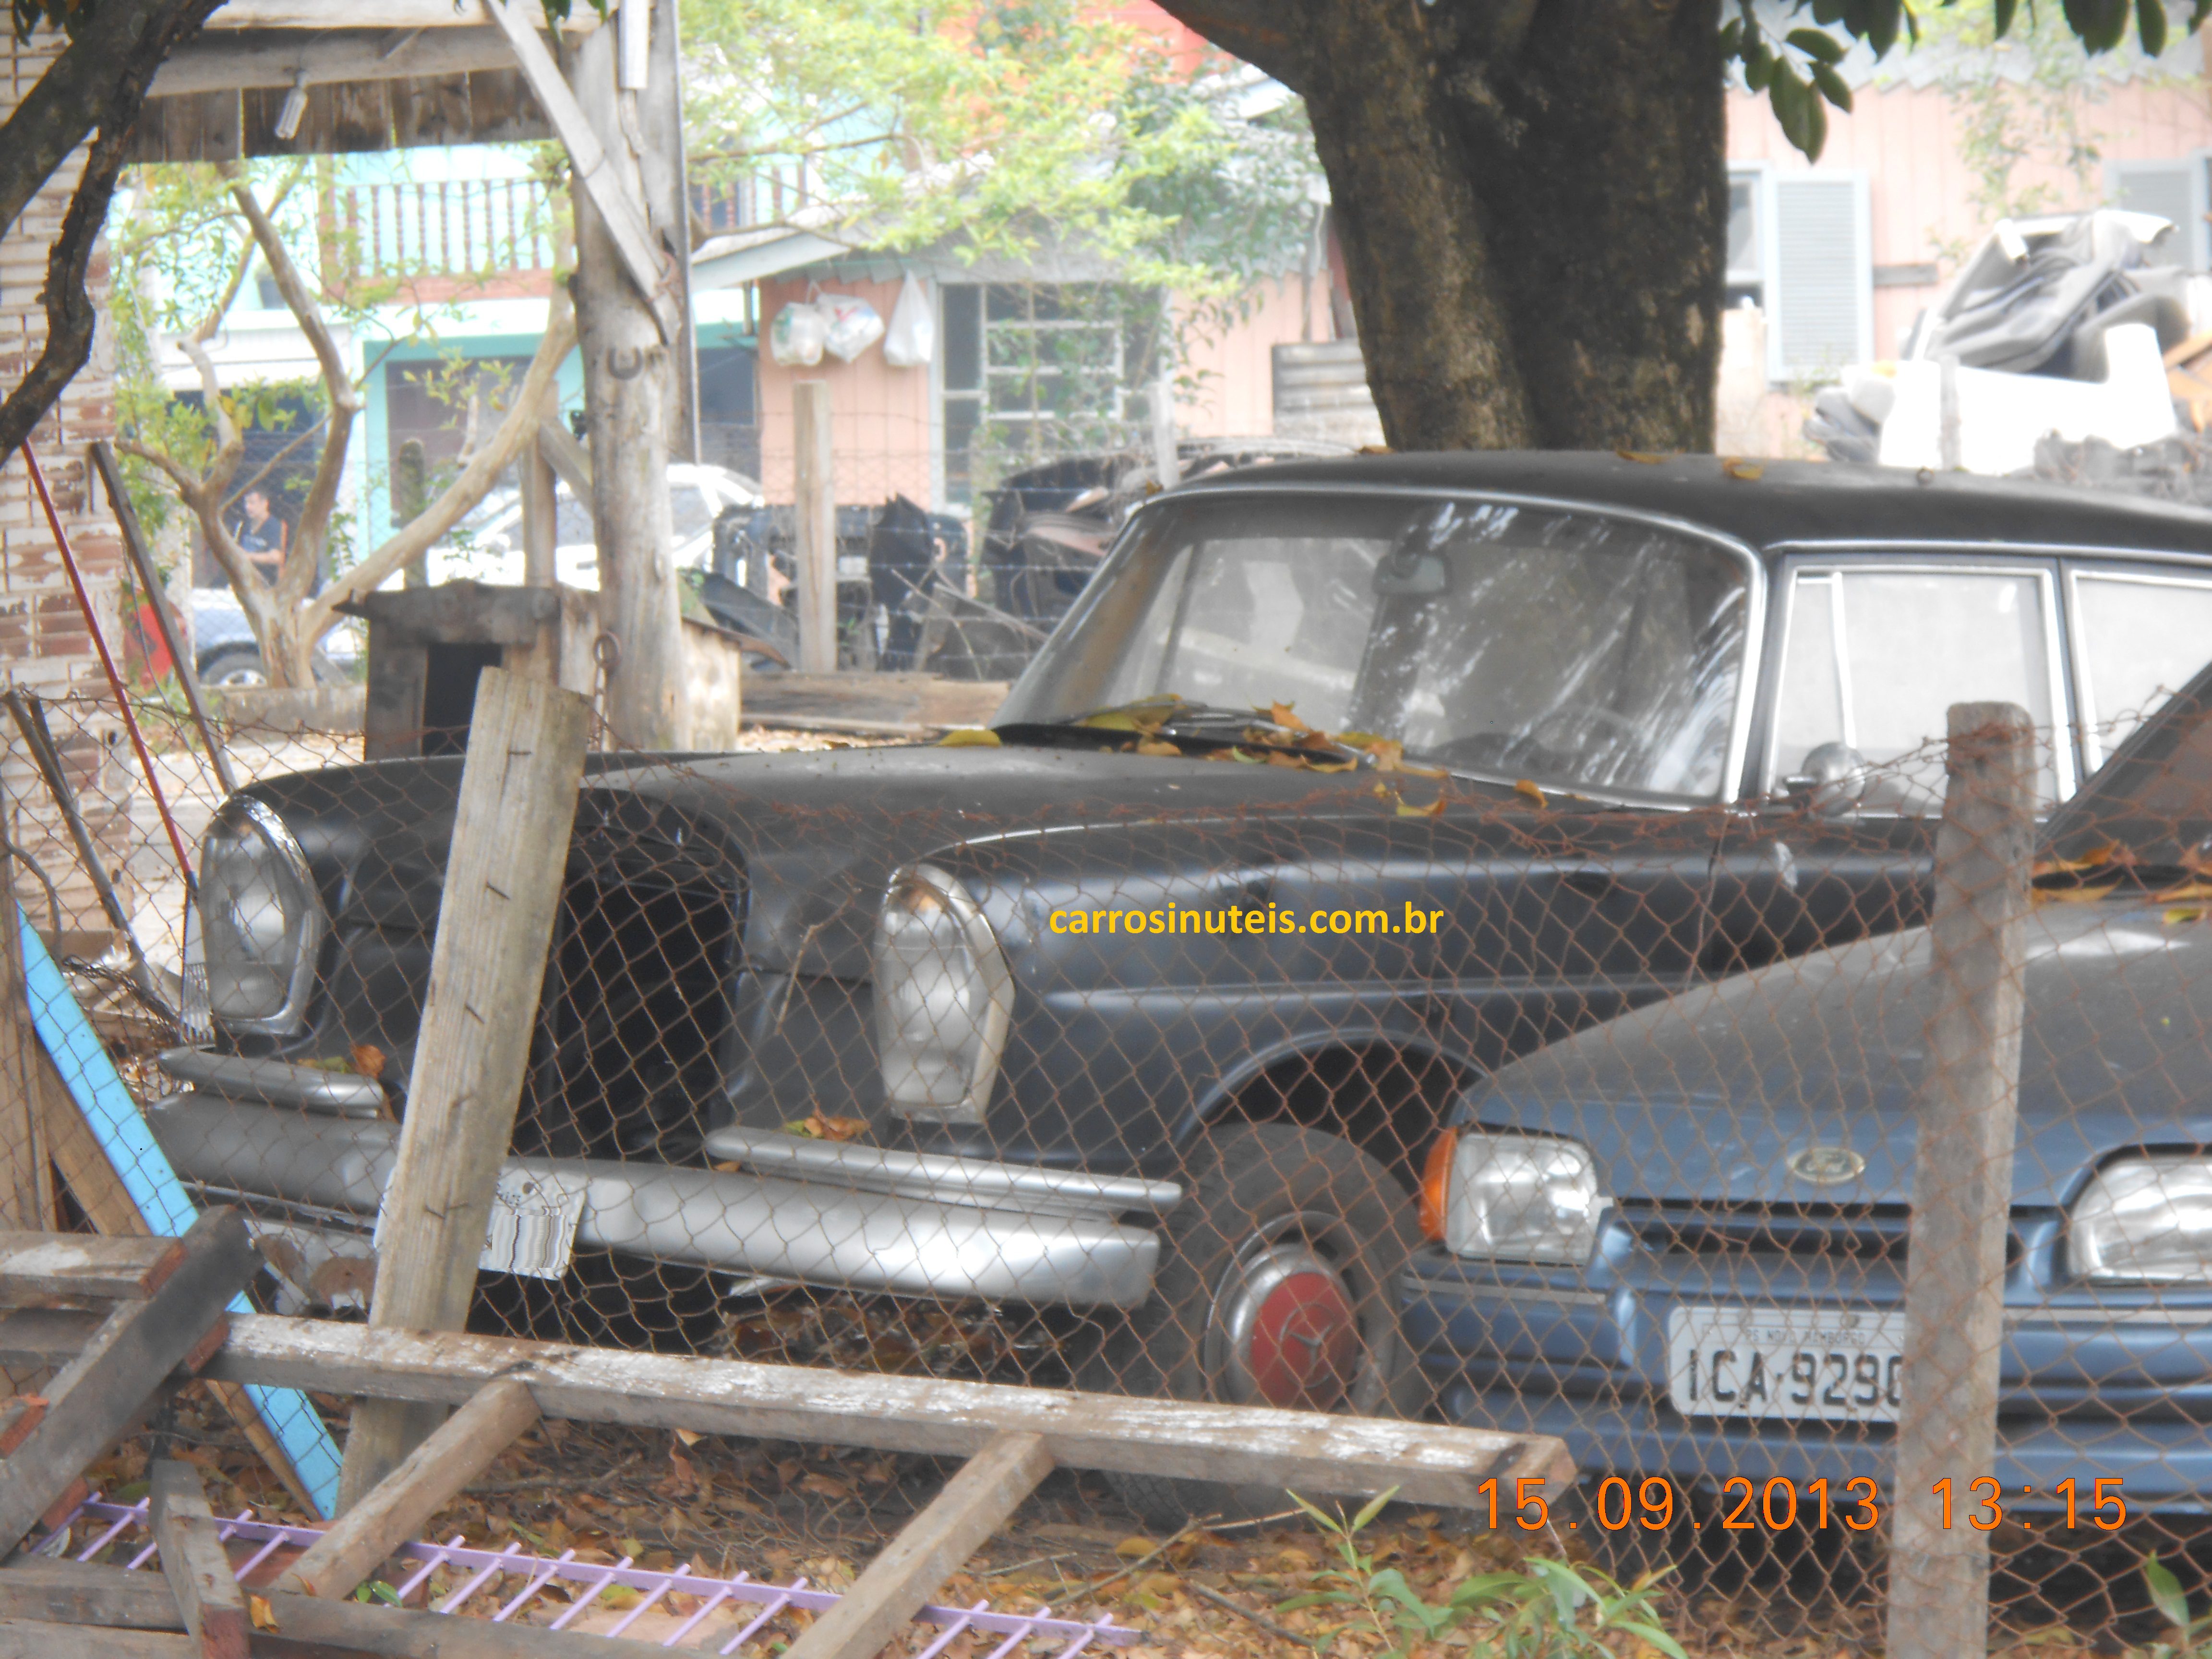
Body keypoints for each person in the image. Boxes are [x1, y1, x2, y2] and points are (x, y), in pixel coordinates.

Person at [233, 489, 287, 584]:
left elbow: (276, 557)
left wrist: (249, 557)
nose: (248, 507)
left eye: (252, 503)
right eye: (246, 503)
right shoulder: (243, 524)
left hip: (264, 579)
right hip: (241, 575)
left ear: (265, 504)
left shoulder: (274, 526)